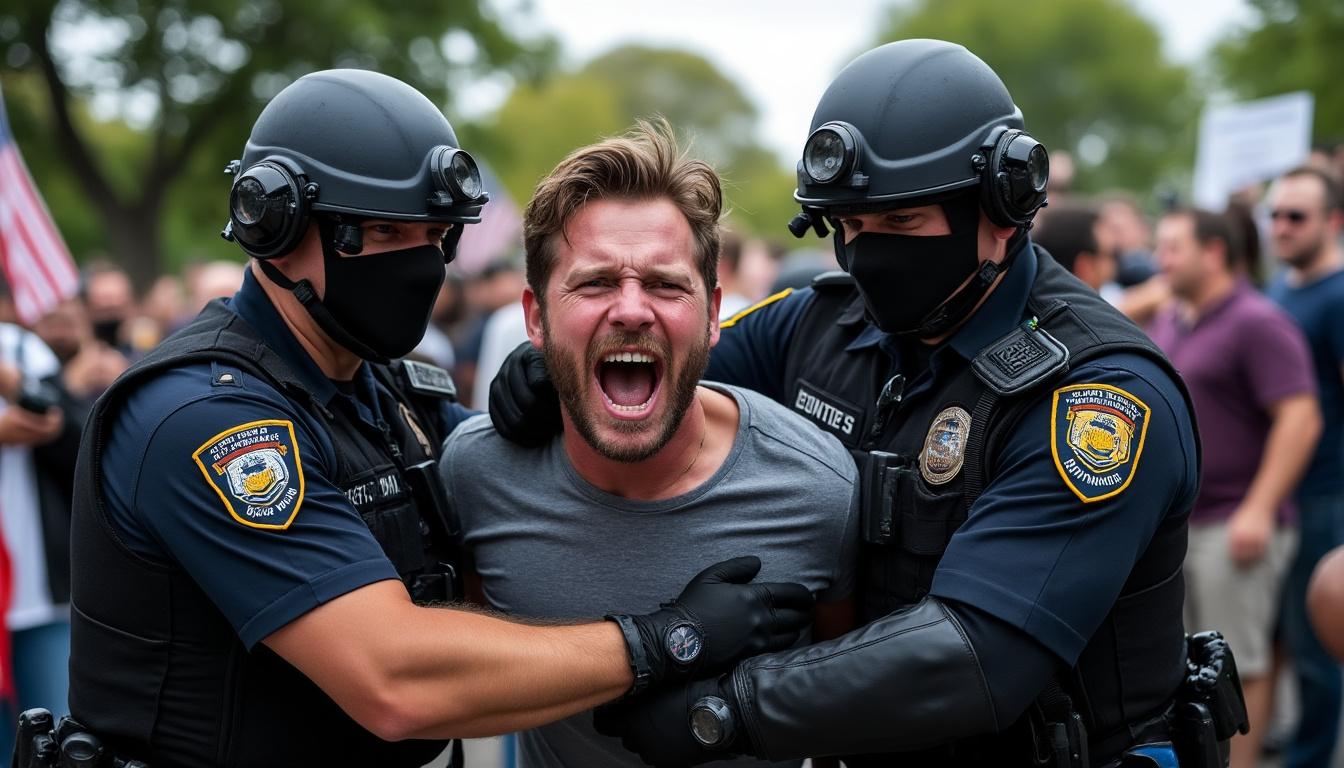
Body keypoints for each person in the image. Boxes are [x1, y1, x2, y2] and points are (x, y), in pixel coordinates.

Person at [53, 69, 811, 768]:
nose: (417, 261)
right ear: (274, 225)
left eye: (433, 235)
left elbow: (526, 491)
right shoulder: (206, 417)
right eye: (384, 233)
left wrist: (563, 381)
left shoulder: (383, 391)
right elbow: (394, 680)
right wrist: (667, 639)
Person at [492, 39, 1211, 767]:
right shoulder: (824, 323)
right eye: (849, 225)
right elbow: (677, 352)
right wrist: (553, 365)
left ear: (1003, 206)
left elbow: (980, 654)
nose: (868, 254)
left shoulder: (1100, 397)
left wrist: (730, 709)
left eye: (901, 224)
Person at [442, 122, 859, 767]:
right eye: (595, 283)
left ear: (714, 312)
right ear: (534, 316)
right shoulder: (476, 473)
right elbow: (457, 688)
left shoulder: (817, 486)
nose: (632, 309)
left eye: (666, 284)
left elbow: (849, 716)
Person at [1147, 207, 1319, 768]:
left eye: (1173, 248)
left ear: (1214, 252)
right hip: (1186, 523)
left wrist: (1260, 508)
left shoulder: (1257, 321)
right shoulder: (1174, 317)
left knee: (1238, 668)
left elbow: (1300, 418)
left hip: (1234, 524)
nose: (1160, 260)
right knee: (1191, 668)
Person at [1264, 165, 1344, 768]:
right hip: (1289, 494)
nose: (1281, 226)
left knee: (1320, 644)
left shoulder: (1339, 295)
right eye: (1275, 214)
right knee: (1282, 636)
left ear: (1333, 222)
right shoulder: (1281, 289)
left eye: (1296, 216)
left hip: (1326, 495)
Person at [0, 321, 76, 761]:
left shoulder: (22, 351)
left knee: (54, 741)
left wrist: (16, 382)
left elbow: (77, 439)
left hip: (39, 595)